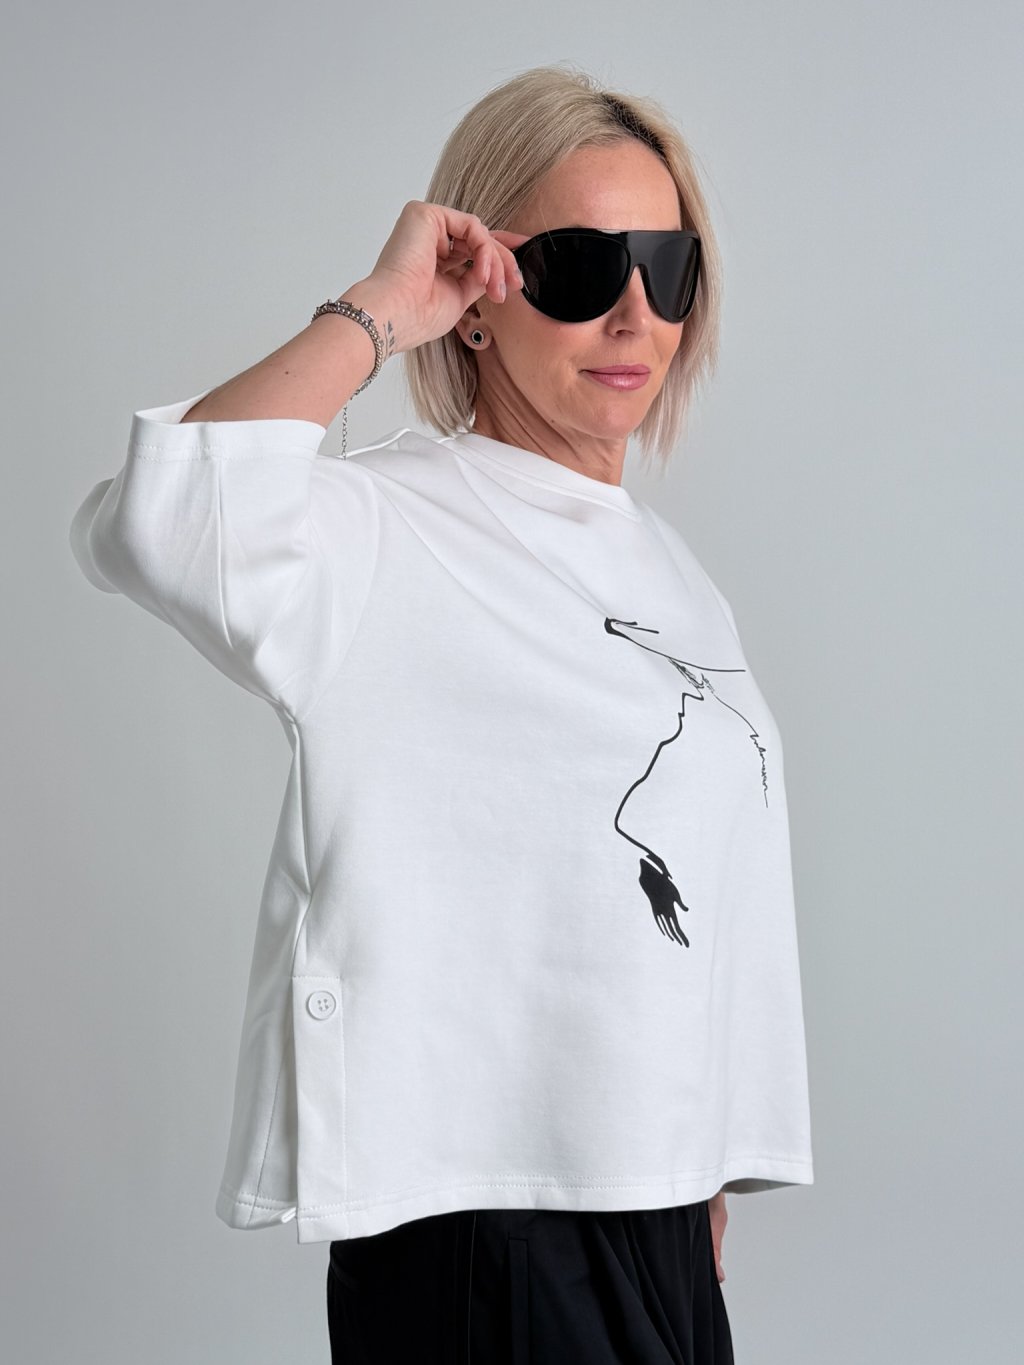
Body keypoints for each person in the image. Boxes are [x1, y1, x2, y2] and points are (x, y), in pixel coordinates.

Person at [69, 63, 813, 1365]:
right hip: (488, 1234)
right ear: (480, 298)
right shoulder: (386, 524)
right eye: (581, 267)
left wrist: (698, 1160)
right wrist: (379, 312)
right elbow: (165, 517)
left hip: (646, 1212)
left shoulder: (669, 575)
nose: (634, 312)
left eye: (668, 268)